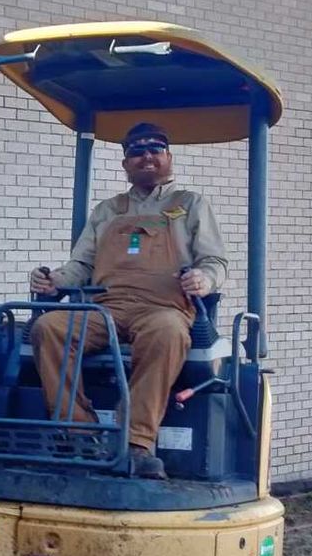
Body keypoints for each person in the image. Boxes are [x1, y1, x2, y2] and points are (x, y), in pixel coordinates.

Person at [27, 121, 229, 479]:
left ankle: (137, 443)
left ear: (169, 158)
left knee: (167, 333)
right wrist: (53, 281)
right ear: (125, 163)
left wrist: (205, 278)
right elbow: (81, 266)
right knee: (50, 326)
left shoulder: (190, 204)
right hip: (106, 308)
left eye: (155, 149)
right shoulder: (109, 210)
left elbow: (214, 262)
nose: (146, 156)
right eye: (137, 151)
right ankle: (79, 434)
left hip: (164, 308)